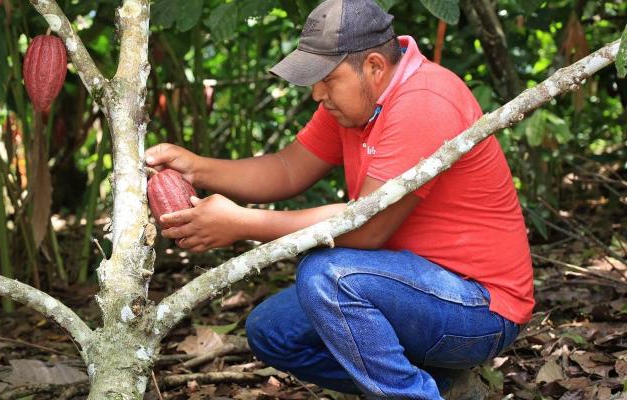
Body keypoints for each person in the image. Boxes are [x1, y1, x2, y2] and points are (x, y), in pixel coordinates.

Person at [145, 0, 533, 398]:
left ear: (375, 67)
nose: (317, 93)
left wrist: (242, 224)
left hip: (479, 309)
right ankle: (449, 388)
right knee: (273, 332)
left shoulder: (424, 100)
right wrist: (196, 168)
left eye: (327, 79)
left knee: (327, 275)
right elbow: (288, 169)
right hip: (411, 287)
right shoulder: (357, 103)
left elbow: (365, 229)